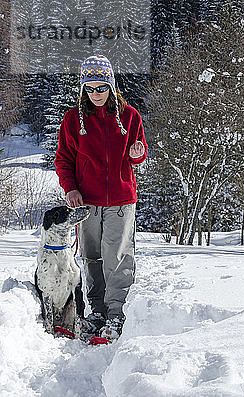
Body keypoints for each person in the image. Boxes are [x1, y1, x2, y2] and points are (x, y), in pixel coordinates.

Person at [55, 55, 147, 340]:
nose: (96, 94)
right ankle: (96, 312)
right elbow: (64, 159)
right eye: (90, 88)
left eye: (101, 87)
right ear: (83, 89)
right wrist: (70, 188)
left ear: (111, 86)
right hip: (86, 202)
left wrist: (137, 153)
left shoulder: (129, 116)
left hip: (121, 200)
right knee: (91, 257)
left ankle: (116, 315)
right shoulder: (72, 120)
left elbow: (140, 151)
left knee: (117, 257)